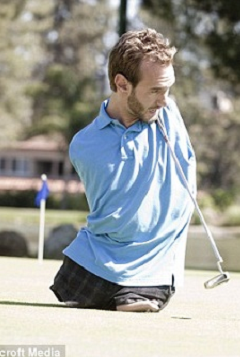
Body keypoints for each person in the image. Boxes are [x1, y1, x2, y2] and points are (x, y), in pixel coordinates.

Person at [50, 28, 196, 312]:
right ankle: (118, 296)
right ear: (122, 84)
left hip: (155, 267)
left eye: (167, 89)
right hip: (100, 257)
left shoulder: (169, 117)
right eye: (155, 90)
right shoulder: (84, 144)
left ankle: (128, 296)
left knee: (141, 296)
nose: (164, 100)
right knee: (69, 284)